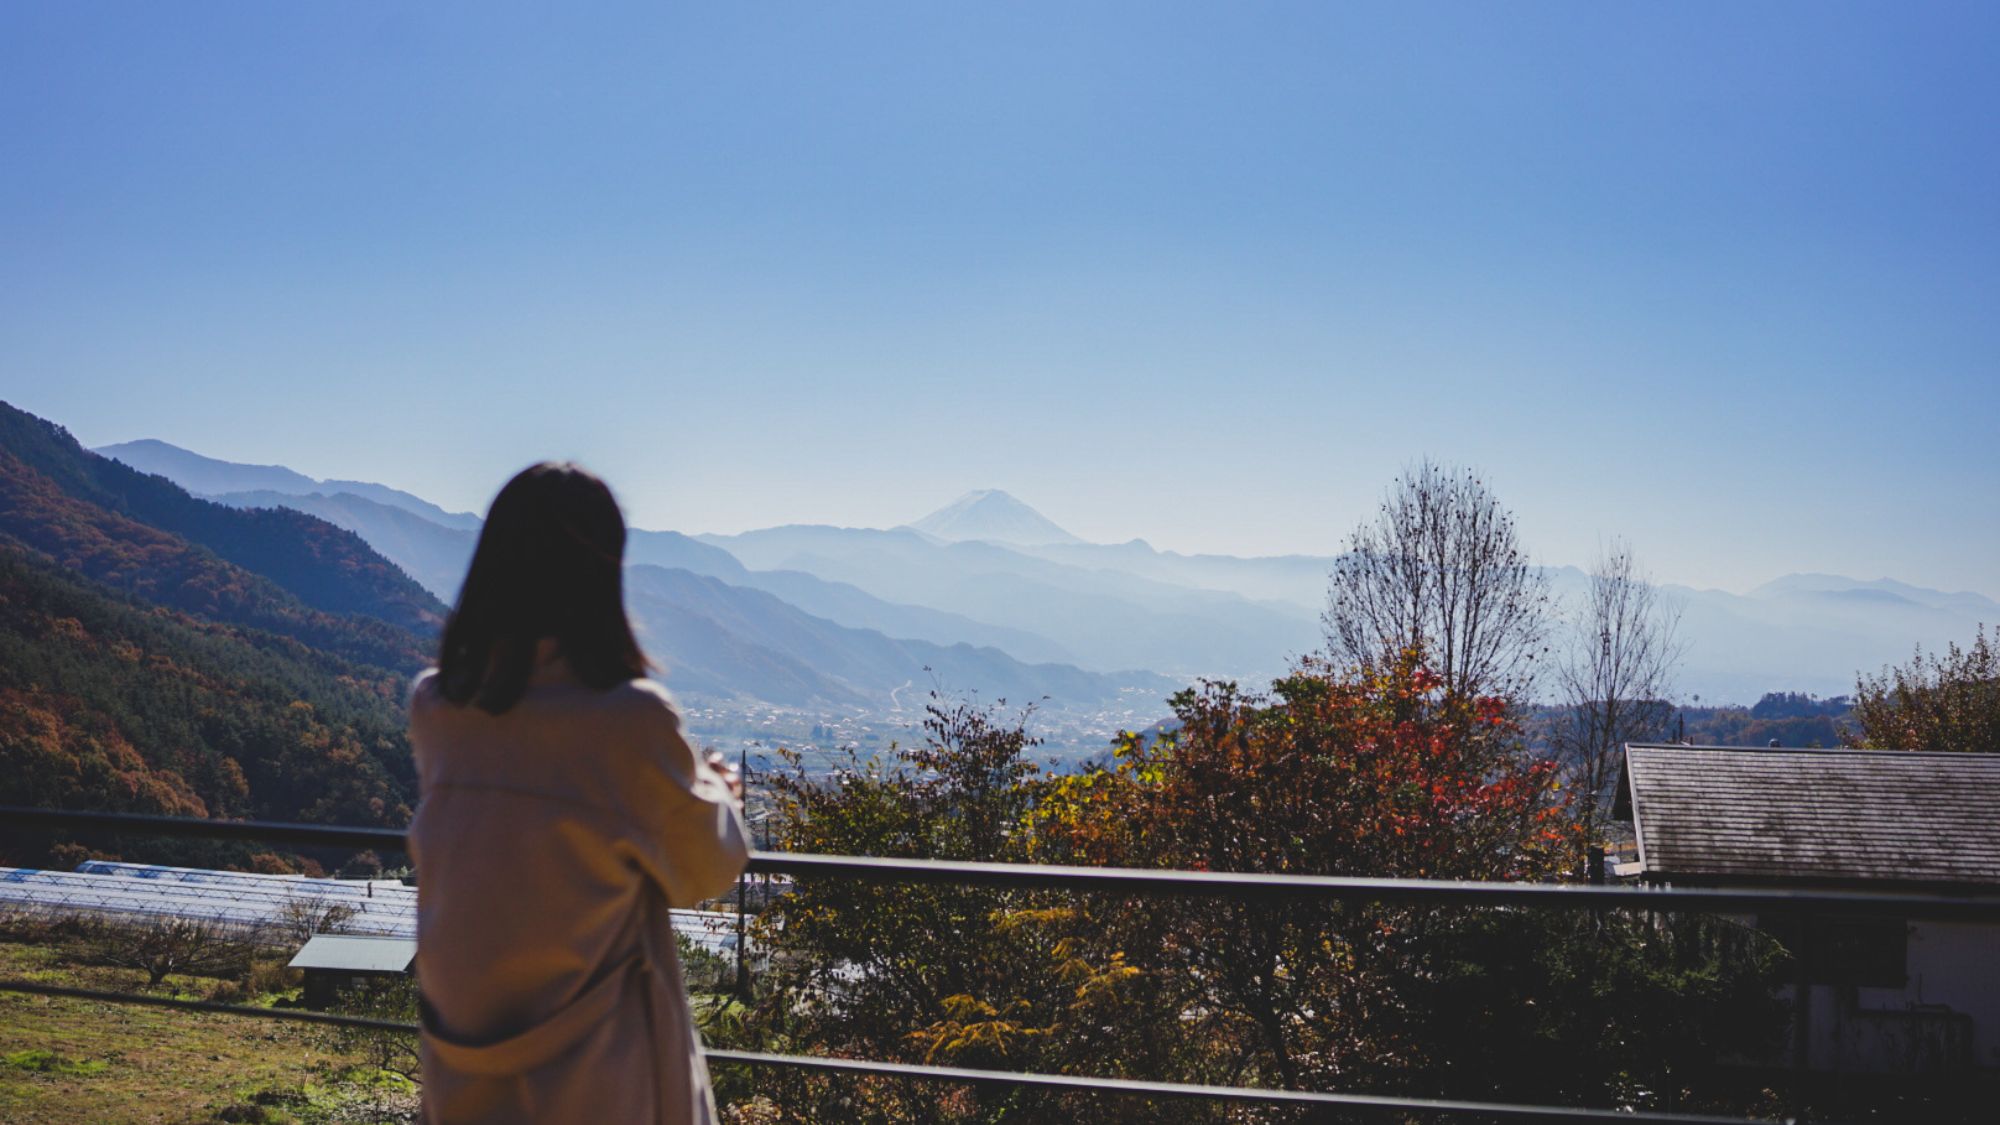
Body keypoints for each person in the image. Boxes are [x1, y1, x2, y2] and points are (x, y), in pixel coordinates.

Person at [407, 462, 749, 1124]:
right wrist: (719, 790)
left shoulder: (438, 707)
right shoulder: (631, 720)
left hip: (464, 1074)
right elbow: (704, 868)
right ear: (602, 574)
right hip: (600, 1079)